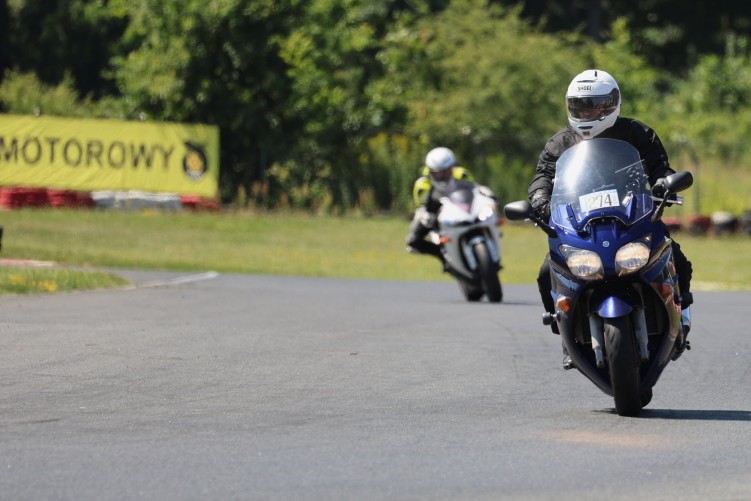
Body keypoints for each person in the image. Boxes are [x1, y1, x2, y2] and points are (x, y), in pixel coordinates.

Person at [527, 69, 693, 367]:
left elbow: (660, 168)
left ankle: (681, 316)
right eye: (580, 105)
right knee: (545, 272)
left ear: (612, 104)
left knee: (676, 256)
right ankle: (565, 335)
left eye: (594, 105)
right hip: (580, 224)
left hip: (634, 218)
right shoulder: (560, 143)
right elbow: (543, 176)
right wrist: (539, 198)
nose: (587, 111)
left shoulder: (638, 134)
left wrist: (662, 184)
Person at [406, 146, 475, 268]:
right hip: (436, 216)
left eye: (445, 171)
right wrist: (426, 216)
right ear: (430, 171)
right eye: (437, 172)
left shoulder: (462, 175)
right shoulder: (422, 184)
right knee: (413, 241)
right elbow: (421, 206)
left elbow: (475, 191)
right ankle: (443, 257)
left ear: (452, 168)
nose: (442, 175)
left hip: (463, 211)